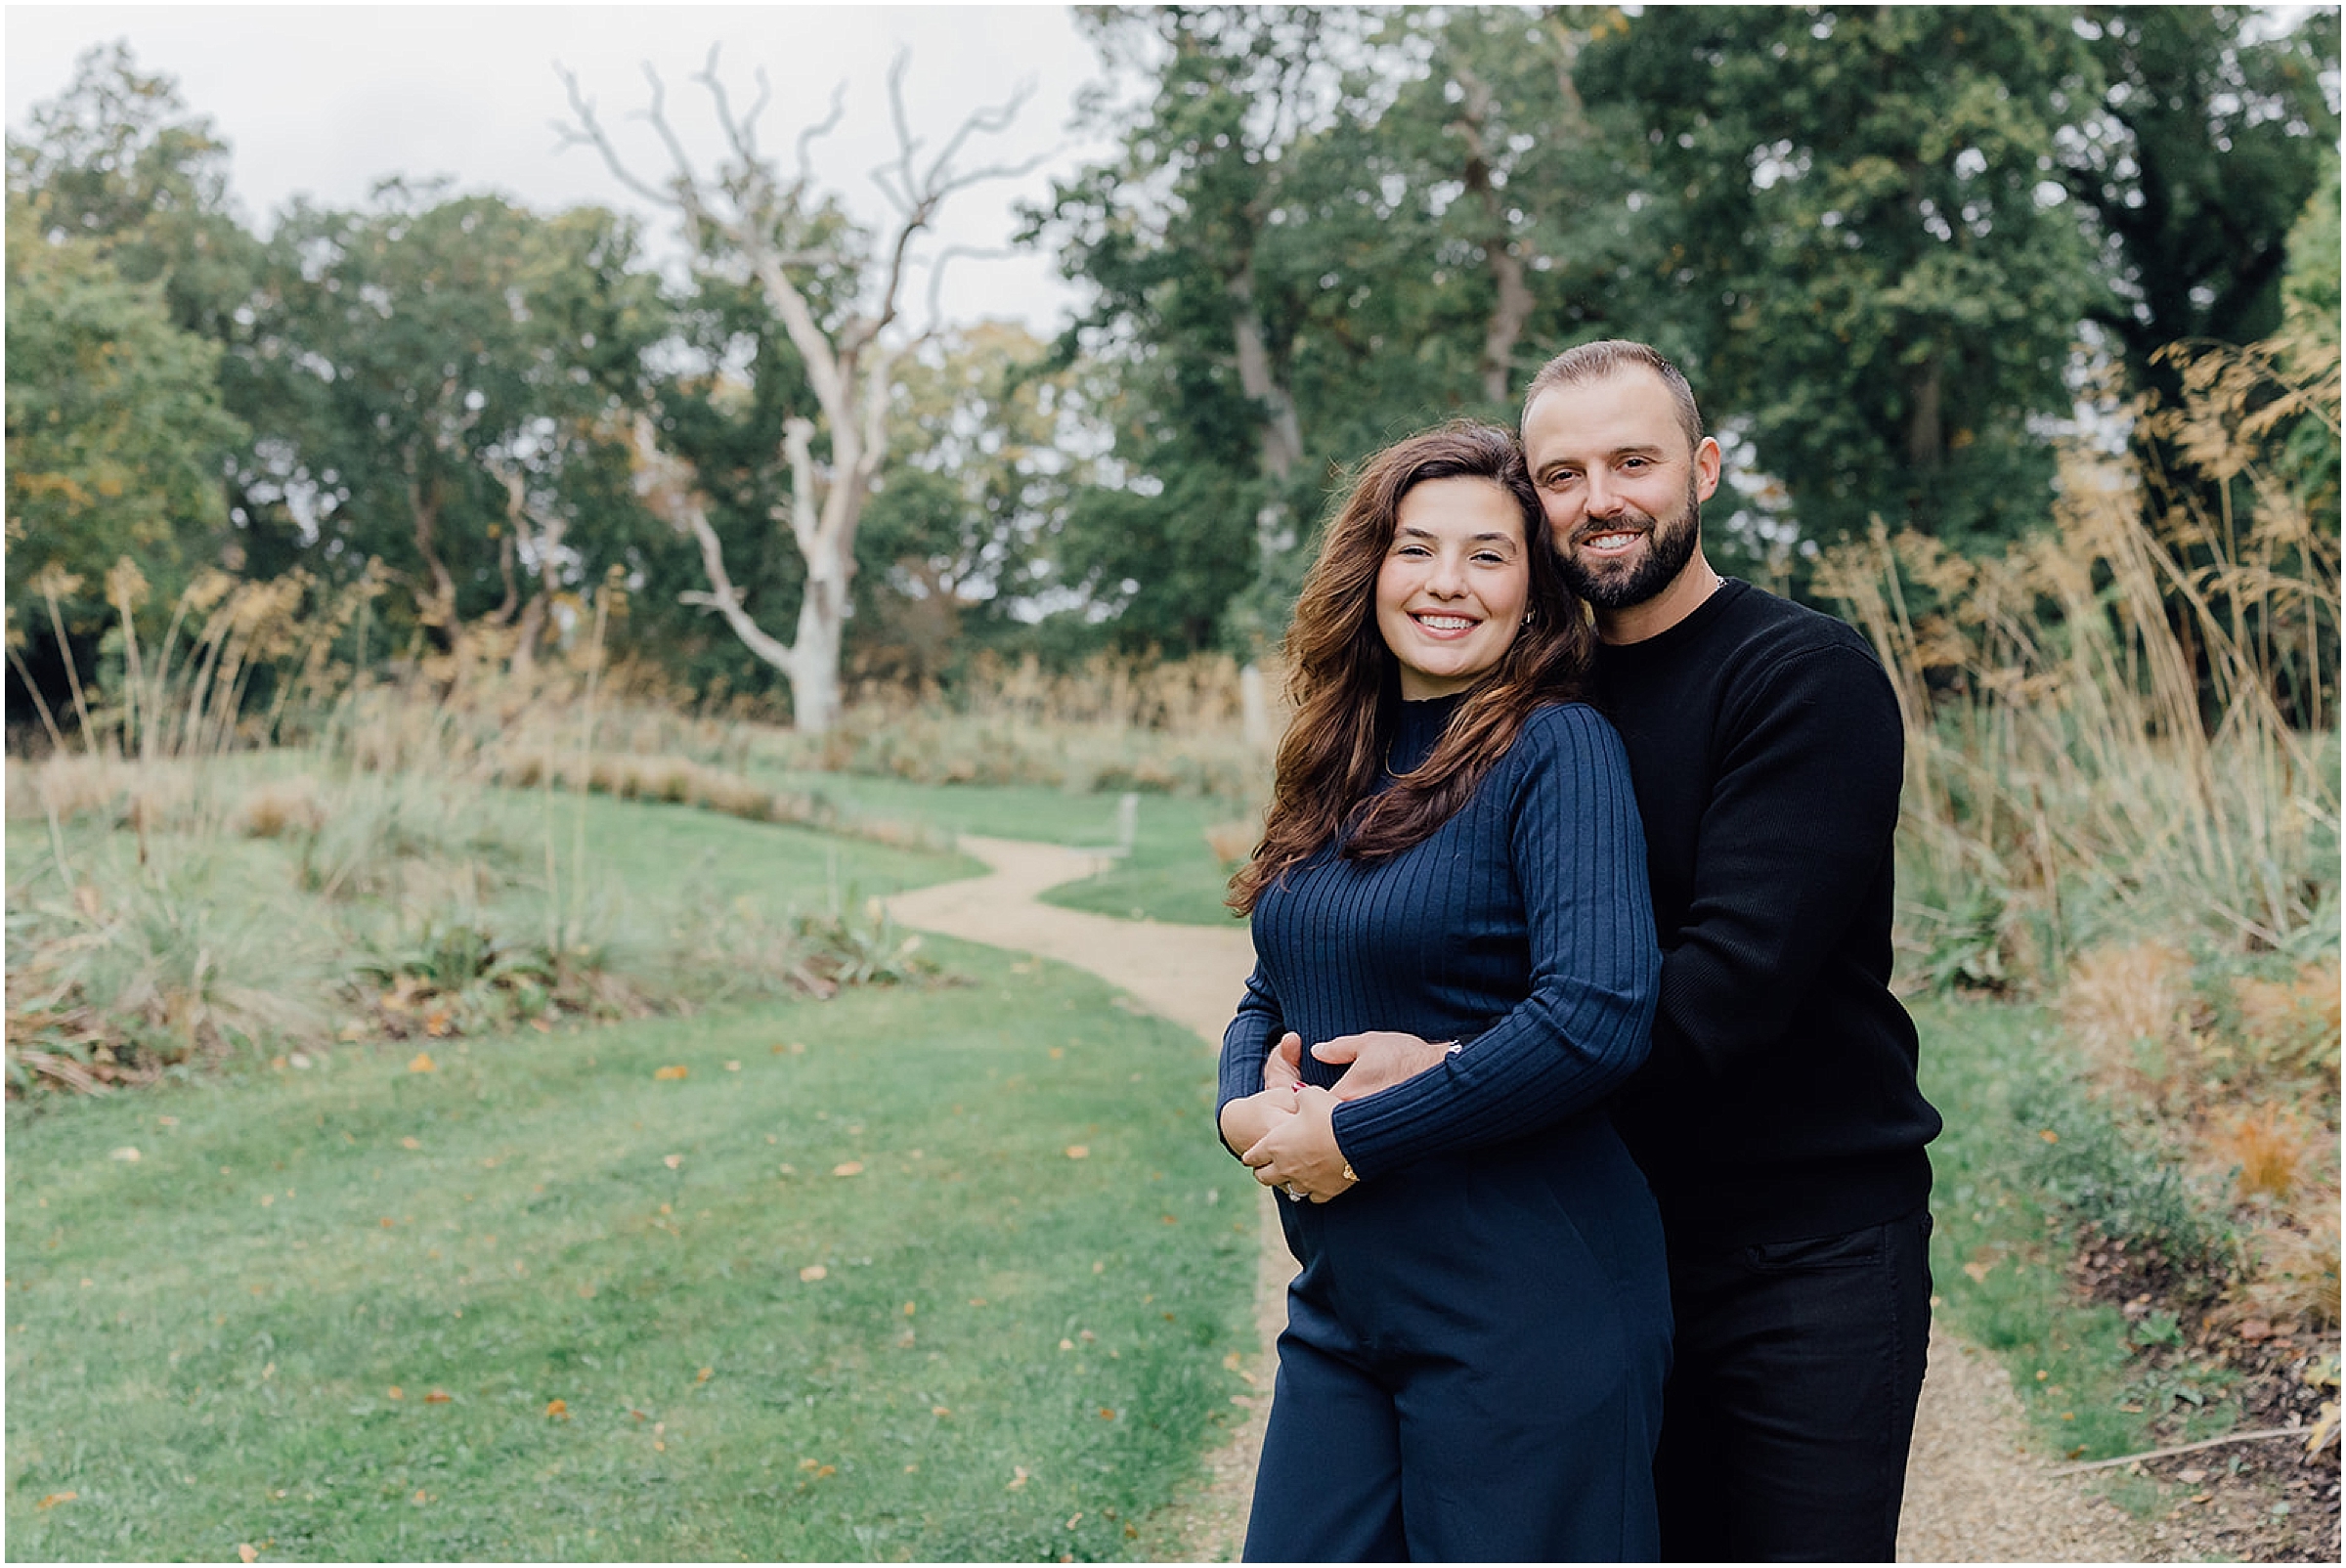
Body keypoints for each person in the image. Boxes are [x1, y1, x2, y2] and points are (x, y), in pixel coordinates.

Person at [1302, 341, 1944, 1561]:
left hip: (1794, 1251)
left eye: (1633, 461)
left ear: (1702, 468)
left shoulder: (1801, 678)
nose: (1600, 498)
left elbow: (1720, 995)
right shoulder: (1526, 697)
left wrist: (1434, 1074)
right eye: (1561, 473)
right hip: (1581, 1241)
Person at [1215, 419, 1671, 1562]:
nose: (1446, 584)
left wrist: (1359, 1134)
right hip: (1347, 1302)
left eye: (1488, 554)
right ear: (1371, 566)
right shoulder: (1338, 752)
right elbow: (1279, 975)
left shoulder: (1559, 750)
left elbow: (1598, 1015)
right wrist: (1240, 1105)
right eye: (1417, 548)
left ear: (1536, 588)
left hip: (1528, 1307)